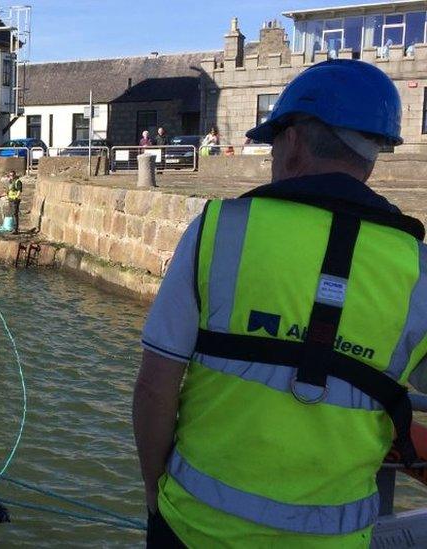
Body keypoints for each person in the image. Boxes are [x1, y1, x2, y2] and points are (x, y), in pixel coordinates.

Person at [133, 59, 427, 548]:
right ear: (373, 153)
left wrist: (152, 493)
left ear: (291, 141)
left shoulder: (219, 230)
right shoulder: (418, 270)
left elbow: (153, 390)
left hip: (193, 528)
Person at [5, 169, 23, 234]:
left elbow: (19, 190)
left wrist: (16, 197)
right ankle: (12, 228)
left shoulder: (18, 182)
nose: (11, 176)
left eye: (12, 175)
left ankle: (15, 229)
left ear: (15, 175)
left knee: (15, 214)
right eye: (10, 175)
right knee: (11, 214)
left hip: (15, 201)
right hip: (10, 200)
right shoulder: (10, 182)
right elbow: (8, 191)